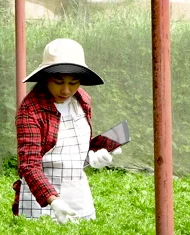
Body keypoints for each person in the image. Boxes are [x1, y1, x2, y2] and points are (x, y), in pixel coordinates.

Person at [12, 38, 121, 224]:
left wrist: (96, 155)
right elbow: (29, 165)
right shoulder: (30, 110)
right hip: (40, 203)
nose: (66, 89)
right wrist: (53, 200)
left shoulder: (83, 101)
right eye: (58, 81)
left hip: (79, 196)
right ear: (46, 77)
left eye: (74, 82)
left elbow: (74, 150)